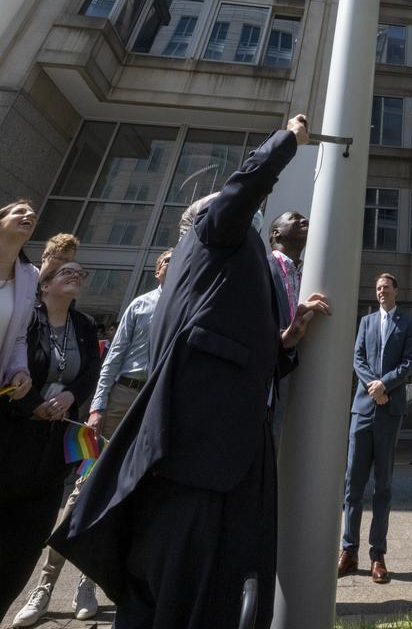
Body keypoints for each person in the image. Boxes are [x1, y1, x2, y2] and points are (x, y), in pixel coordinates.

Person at [52, 115, 330, 629]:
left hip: (219, 449)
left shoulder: (218, 272)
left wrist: (286, 342)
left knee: (207, 584)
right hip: (200, 451)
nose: (254, 214)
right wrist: (289, 138)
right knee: (179, 581)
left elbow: (236, 342)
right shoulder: (211, 234)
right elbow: (243, 187)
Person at [14, 248, 174, 626]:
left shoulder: (192, 304)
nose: (174, 263)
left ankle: (88, 582)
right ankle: (46, 585)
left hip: (159, 404)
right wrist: (99, 407)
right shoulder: (140, 305)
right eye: (167, 259)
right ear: (156, 270)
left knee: (132, 495)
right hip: (123, 397)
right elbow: (112, 359)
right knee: (86, 488)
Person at [0, 256, 100, 618]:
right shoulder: (27, 319)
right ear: (44, 285)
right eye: (65, 271)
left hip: (53, 446)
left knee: (26, 542)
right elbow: (12, 363)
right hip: (13, 435)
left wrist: (72, 397)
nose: (75, 273)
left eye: (80, 271)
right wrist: (34, 404)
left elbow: (92, 370)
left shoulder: (85, 324)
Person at [339, 272, 412, 584]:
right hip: (362, 410)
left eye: (386, 287)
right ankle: (349, 550)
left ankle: (377, 555)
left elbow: (409, 362)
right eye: (378, 287)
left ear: (396, 290)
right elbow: (357, 358)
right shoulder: (366, 322)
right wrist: (374, 386)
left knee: (382, 486)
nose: (381, 291)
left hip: (389, 412)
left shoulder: (407, 323)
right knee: (352, 486)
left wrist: (385, 384)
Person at [268, 210, 308, 435]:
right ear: (276, 233)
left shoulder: (304, 275)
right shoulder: (261, 267)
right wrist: (281, 339)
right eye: (295, 218)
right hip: (266, 372)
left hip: (294, 373)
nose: (305, 220)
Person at [0, 200, 38, 405]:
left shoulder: (30, 276)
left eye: (33, 216)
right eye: (20, 212)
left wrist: (19, 370)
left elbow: (18, 336)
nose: (30, 216)